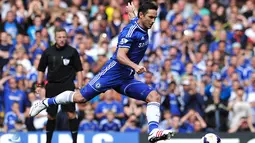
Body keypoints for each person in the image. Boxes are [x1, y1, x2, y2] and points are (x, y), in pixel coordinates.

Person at [30, 2, 174, 142]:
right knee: (80, 98)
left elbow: (136, 22)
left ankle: (153, 131)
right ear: (142, 15)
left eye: (155, 17)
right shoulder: (130, 32)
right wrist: (135, 66)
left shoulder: (140, 23)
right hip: (111, 73)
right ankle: (45, 102)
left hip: (125, 78)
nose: (153, 21)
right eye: (150, 17)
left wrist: (132, 13)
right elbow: (120, 56)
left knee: (154, 96)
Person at [35, 27, 83, 143]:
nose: (62, 39)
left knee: (71, 114)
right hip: (52, 86)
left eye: (64, 37)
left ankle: (75, 141)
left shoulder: (72, 51)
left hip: (67, 86)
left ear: (66, 38)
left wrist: (79, 87)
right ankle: (48, 141)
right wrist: (39, 85)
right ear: (55, 39)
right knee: (51, 115)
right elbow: (41, 69)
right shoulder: (48, 52)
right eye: (59, 37)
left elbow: (79, 70)